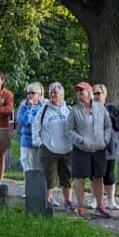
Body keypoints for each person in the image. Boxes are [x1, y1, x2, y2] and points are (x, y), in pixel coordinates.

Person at [66, 82, 112, 218]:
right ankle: (80, 205)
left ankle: (100, 205)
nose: (79, 93)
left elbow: (108, 126)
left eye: (82, 90)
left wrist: (105, 140)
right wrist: (80, 140)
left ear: (89, 92)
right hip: (81, 149)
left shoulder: (100, 108)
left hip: (99, 148)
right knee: (80, 178)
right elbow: (69, 130)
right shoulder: (74, 110)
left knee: (98, 177)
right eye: (77, 91)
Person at [33, 82, 74, 211]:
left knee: (67, 177)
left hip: (67, 149)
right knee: (49, 176)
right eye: (50, 92)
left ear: (62, 94)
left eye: (55, 92)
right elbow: (35, 126)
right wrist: (39, 142)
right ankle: (47, 200)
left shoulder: (69, 110)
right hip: (49, 149)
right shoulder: (44, 109)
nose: (52, 95)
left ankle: (68, 202)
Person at [93, 84, 119, 210]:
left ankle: (111, 200)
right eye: (94, 93)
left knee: (109, 173)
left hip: (109, 146)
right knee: (95, 174)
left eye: (98, 93)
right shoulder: (88, 109)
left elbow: (118, 125)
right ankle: (95, 199)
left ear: (104, 95)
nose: (96, 96)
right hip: (94, 146)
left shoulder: (111, 109)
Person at [17, 82, 45, 172]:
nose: (30, 95)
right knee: (29, 170)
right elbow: (23, 121)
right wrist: (30, 108)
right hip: (27, 142)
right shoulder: (23, 107)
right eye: (28, 93)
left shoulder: (45, 107)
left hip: (41, 142)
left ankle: (40, 187)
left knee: (41, 170)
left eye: (33, 93)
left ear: (40, 94)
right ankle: (30, 186)